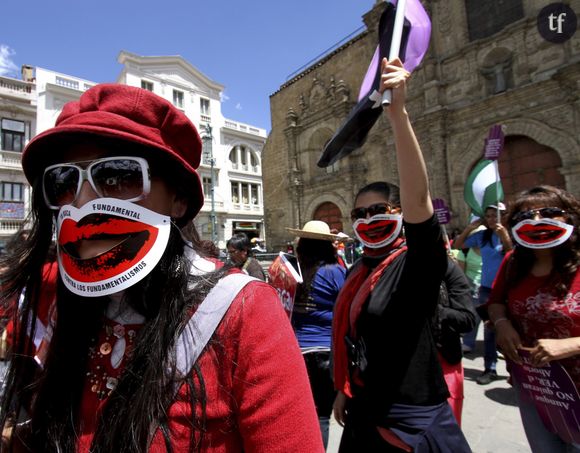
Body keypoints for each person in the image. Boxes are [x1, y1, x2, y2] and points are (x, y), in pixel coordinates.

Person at [0, 84, 324, 452]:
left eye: (117, 176)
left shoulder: (243, 311)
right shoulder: (69, 299)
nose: (83, 200)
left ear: (179, 199)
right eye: (63, 181)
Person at [332, 57, 471, 452]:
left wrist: (399, 117)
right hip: (364, 410)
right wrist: (345, 388)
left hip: (410, 422)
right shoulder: (359, 268)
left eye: (379, 210)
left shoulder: (417, 263)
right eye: (359, 214)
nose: (368, 219)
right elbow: (355, 336)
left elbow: (419, 201)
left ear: (398, 212)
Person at [487, 185, 580, 453]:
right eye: (524, 218)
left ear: (569, 218)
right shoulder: (513, 262)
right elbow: (495, 303)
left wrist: (572, 345)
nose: (536, 222)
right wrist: (502, 325)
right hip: (537, 386)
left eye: (549, 213)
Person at [286, 220, 347, 449]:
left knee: (301, 413)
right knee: (321, 415)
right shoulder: (335, 273)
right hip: (325, 353)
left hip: (296, 352)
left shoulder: (292, 272)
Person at [453, 202, 513, 384]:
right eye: (488, 216)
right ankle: (490, 368)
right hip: (488, 290)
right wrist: (469, 228)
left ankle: (516, 370)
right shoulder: (482, 236)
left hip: (508, 289)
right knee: (490, 330)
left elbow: (513, 255)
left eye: (495, 215)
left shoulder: (511, 235)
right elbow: (458, 244)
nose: (492, 219)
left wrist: (504, 237)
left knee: (512, 331)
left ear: (504, 216)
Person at [434, 255, 476, 426]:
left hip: (444, 363)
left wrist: (432, 309)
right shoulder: (391, 268)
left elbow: (466, 319)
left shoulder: (447, 268)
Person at [455, 226, 484, 354]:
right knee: (474, 316)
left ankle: (496, 346)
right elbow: (461, 272)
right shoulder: (465, 251)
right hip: (472, 287)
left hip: (488, 287)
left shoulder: (491, 249)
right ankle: (468, 342)